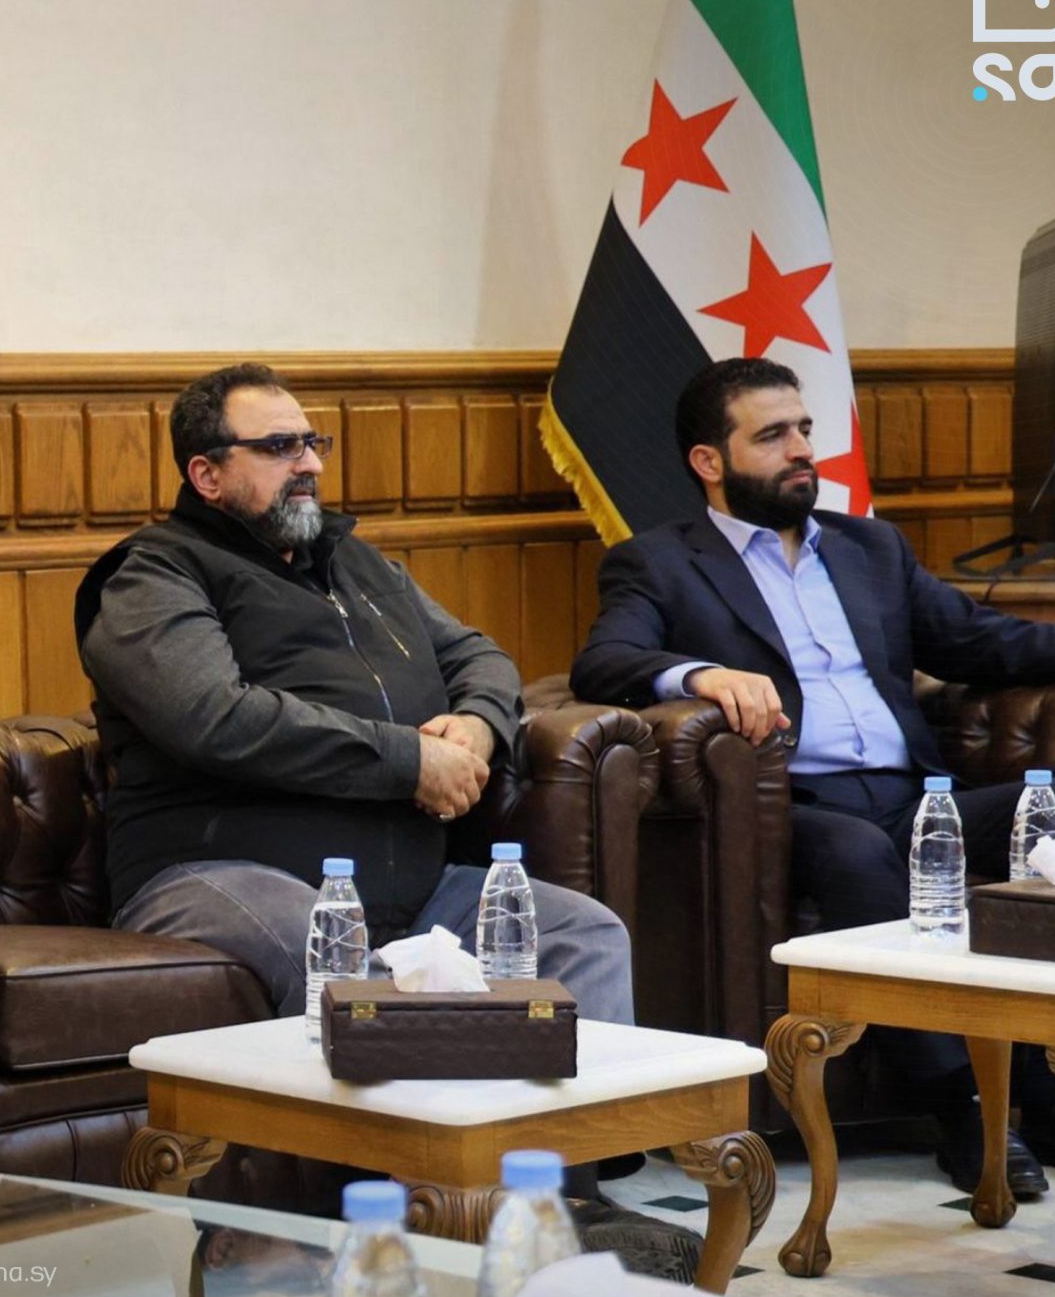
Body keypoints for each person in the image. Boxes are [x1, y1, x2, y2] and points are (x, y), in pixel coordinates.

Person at [569, 355, 1055, 1199]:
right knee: (858, 855)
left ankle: (1051, 1087)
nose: (802, 450)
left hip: (915, 795)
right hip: (796, 810)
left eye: (804, 429)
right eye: (772, 435)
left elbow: (987, 641)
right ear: (710, 461)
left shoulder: (868, 547)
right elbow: (604, 660)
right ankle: (959, 1103)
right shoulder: (662, 563)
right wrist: (699, 675)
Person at [74, 362, 635, 1028]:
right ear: (207, 475)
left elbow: (476, 655)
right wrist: (408, 761)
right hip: (221, 872)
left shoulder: (356, 563)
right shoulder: (155, 574)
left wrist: (477, 725)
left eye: (313, 444)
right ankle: (425, 1100)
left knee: (584, 934)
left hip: (410, 890)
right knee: (336, 955)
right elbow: (212, 717)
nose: (310, 464)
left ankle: (554, 1106)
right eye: (280, 447)